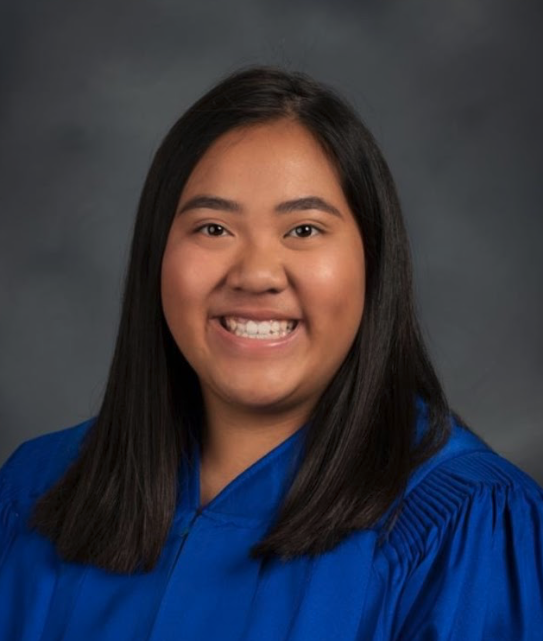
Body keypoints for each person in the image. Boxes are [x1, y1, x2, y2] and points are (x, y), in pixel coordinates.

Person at [0, 65, 542, 641]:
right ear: (156, 257)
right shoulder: (35, 494)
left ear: (373, 261)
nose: (257, 275)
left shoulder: (464, 525)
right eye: (213, 228)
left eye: (304, 230)